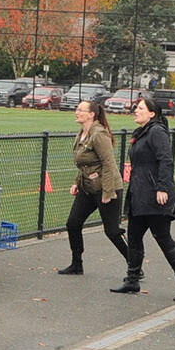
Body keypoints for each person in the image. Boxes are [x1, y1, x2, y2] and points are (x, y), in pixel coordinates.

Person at [115, 96, 175, 301]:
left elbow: (165, 160)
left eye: (140, 108)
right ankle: (132, 280)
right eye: (136, 108)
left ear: (152, 113)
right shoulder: (141, 133)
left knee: (163, 237)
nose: (136, 111)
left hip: (155, 196)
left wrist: (162, 188)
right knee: (134, 237)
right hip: (139, 194)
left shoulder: (157, 131)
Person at [59, 100, 126, 276]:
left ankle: (134, 264)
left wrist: (108, 191)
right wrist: (76, 182)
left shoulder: (99, 134)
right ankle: (77, 264)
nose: (77, 112)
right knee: (73, 223)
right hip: (88, 188)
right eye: (77, 109)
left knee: (112, 231)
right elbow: (84, 164)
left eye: (81, 110)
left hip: (106, 188)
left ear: (91, 114)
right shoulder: (82, 133)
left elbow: (109, 163)